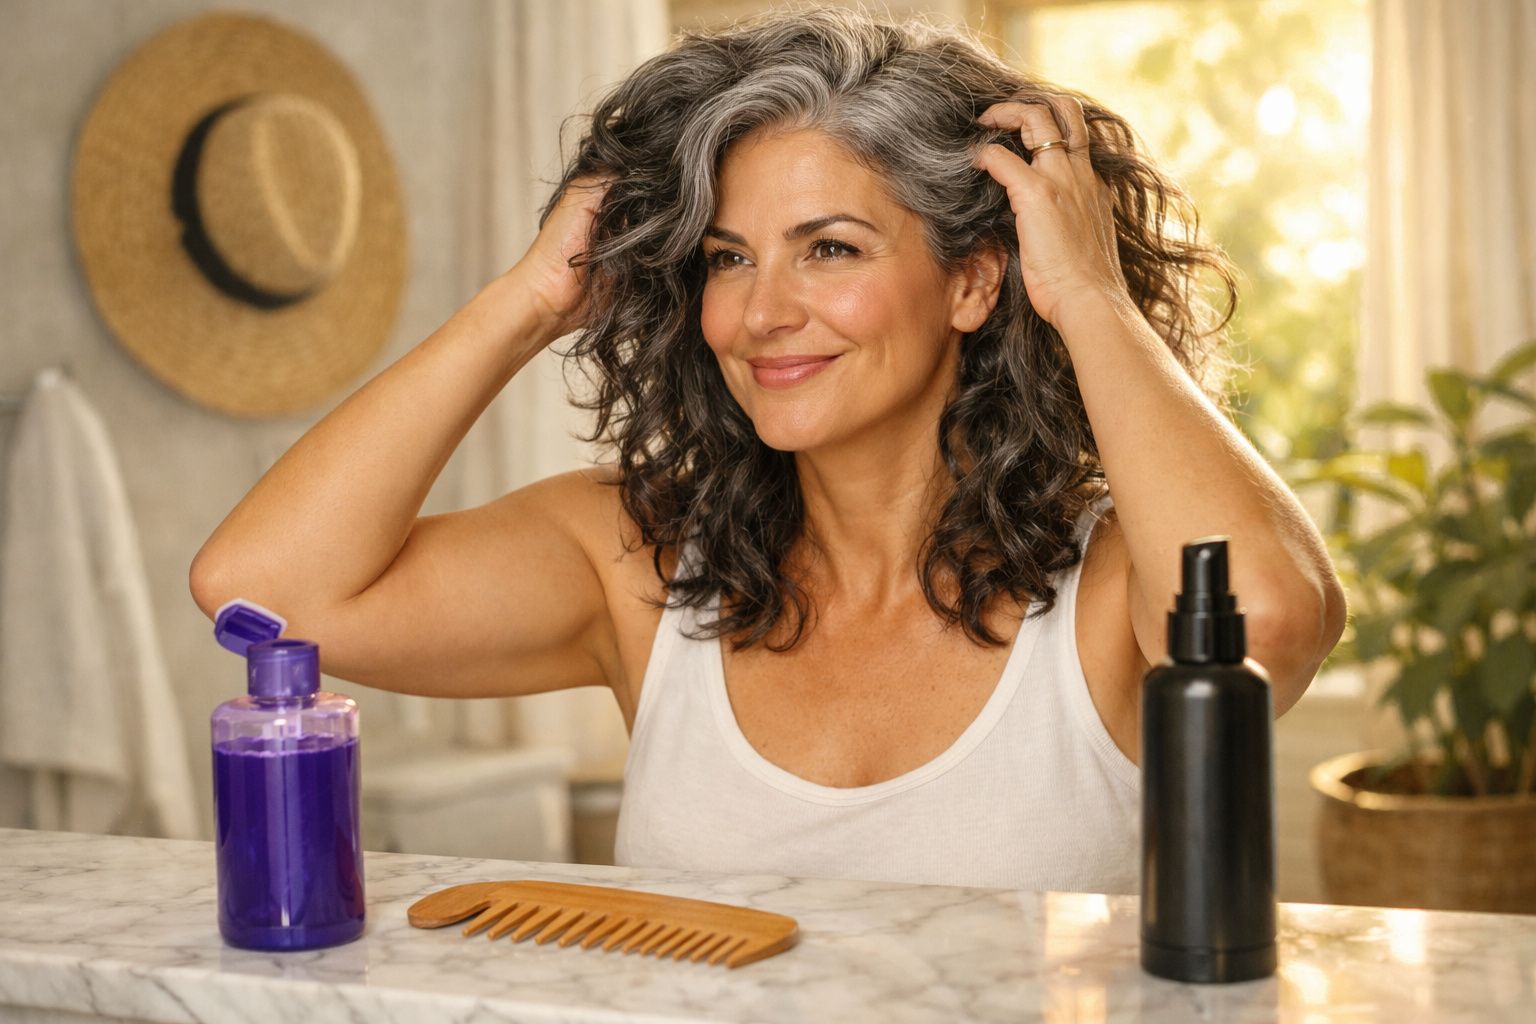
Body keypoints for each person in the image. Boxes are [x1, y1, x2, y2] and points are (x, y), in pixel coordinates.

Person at [190, 7, 1345, 893]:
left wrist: (1087, 295)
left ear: (976, 279)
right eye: (730, 257)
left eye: (829, 249)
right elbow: (263, 593)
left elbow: (1268, 619)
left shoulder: (1111, 594)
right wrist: (531, 299)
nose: (761, 312)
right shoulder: (639, 562)